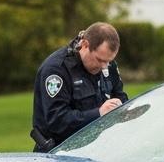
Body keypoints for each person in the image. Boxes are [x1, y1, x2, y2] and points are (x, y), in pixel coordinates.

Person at [30, 22, 127, 152]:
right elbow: (57, 121)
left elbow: (120, 97)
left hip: (98, 148)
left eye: (108, 61)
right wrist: (98, 113)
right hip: (59, 152)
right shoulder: (56, 70)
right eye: (100, 60)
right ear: (85, 45)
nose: (104, 66)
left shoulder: (108, 65)